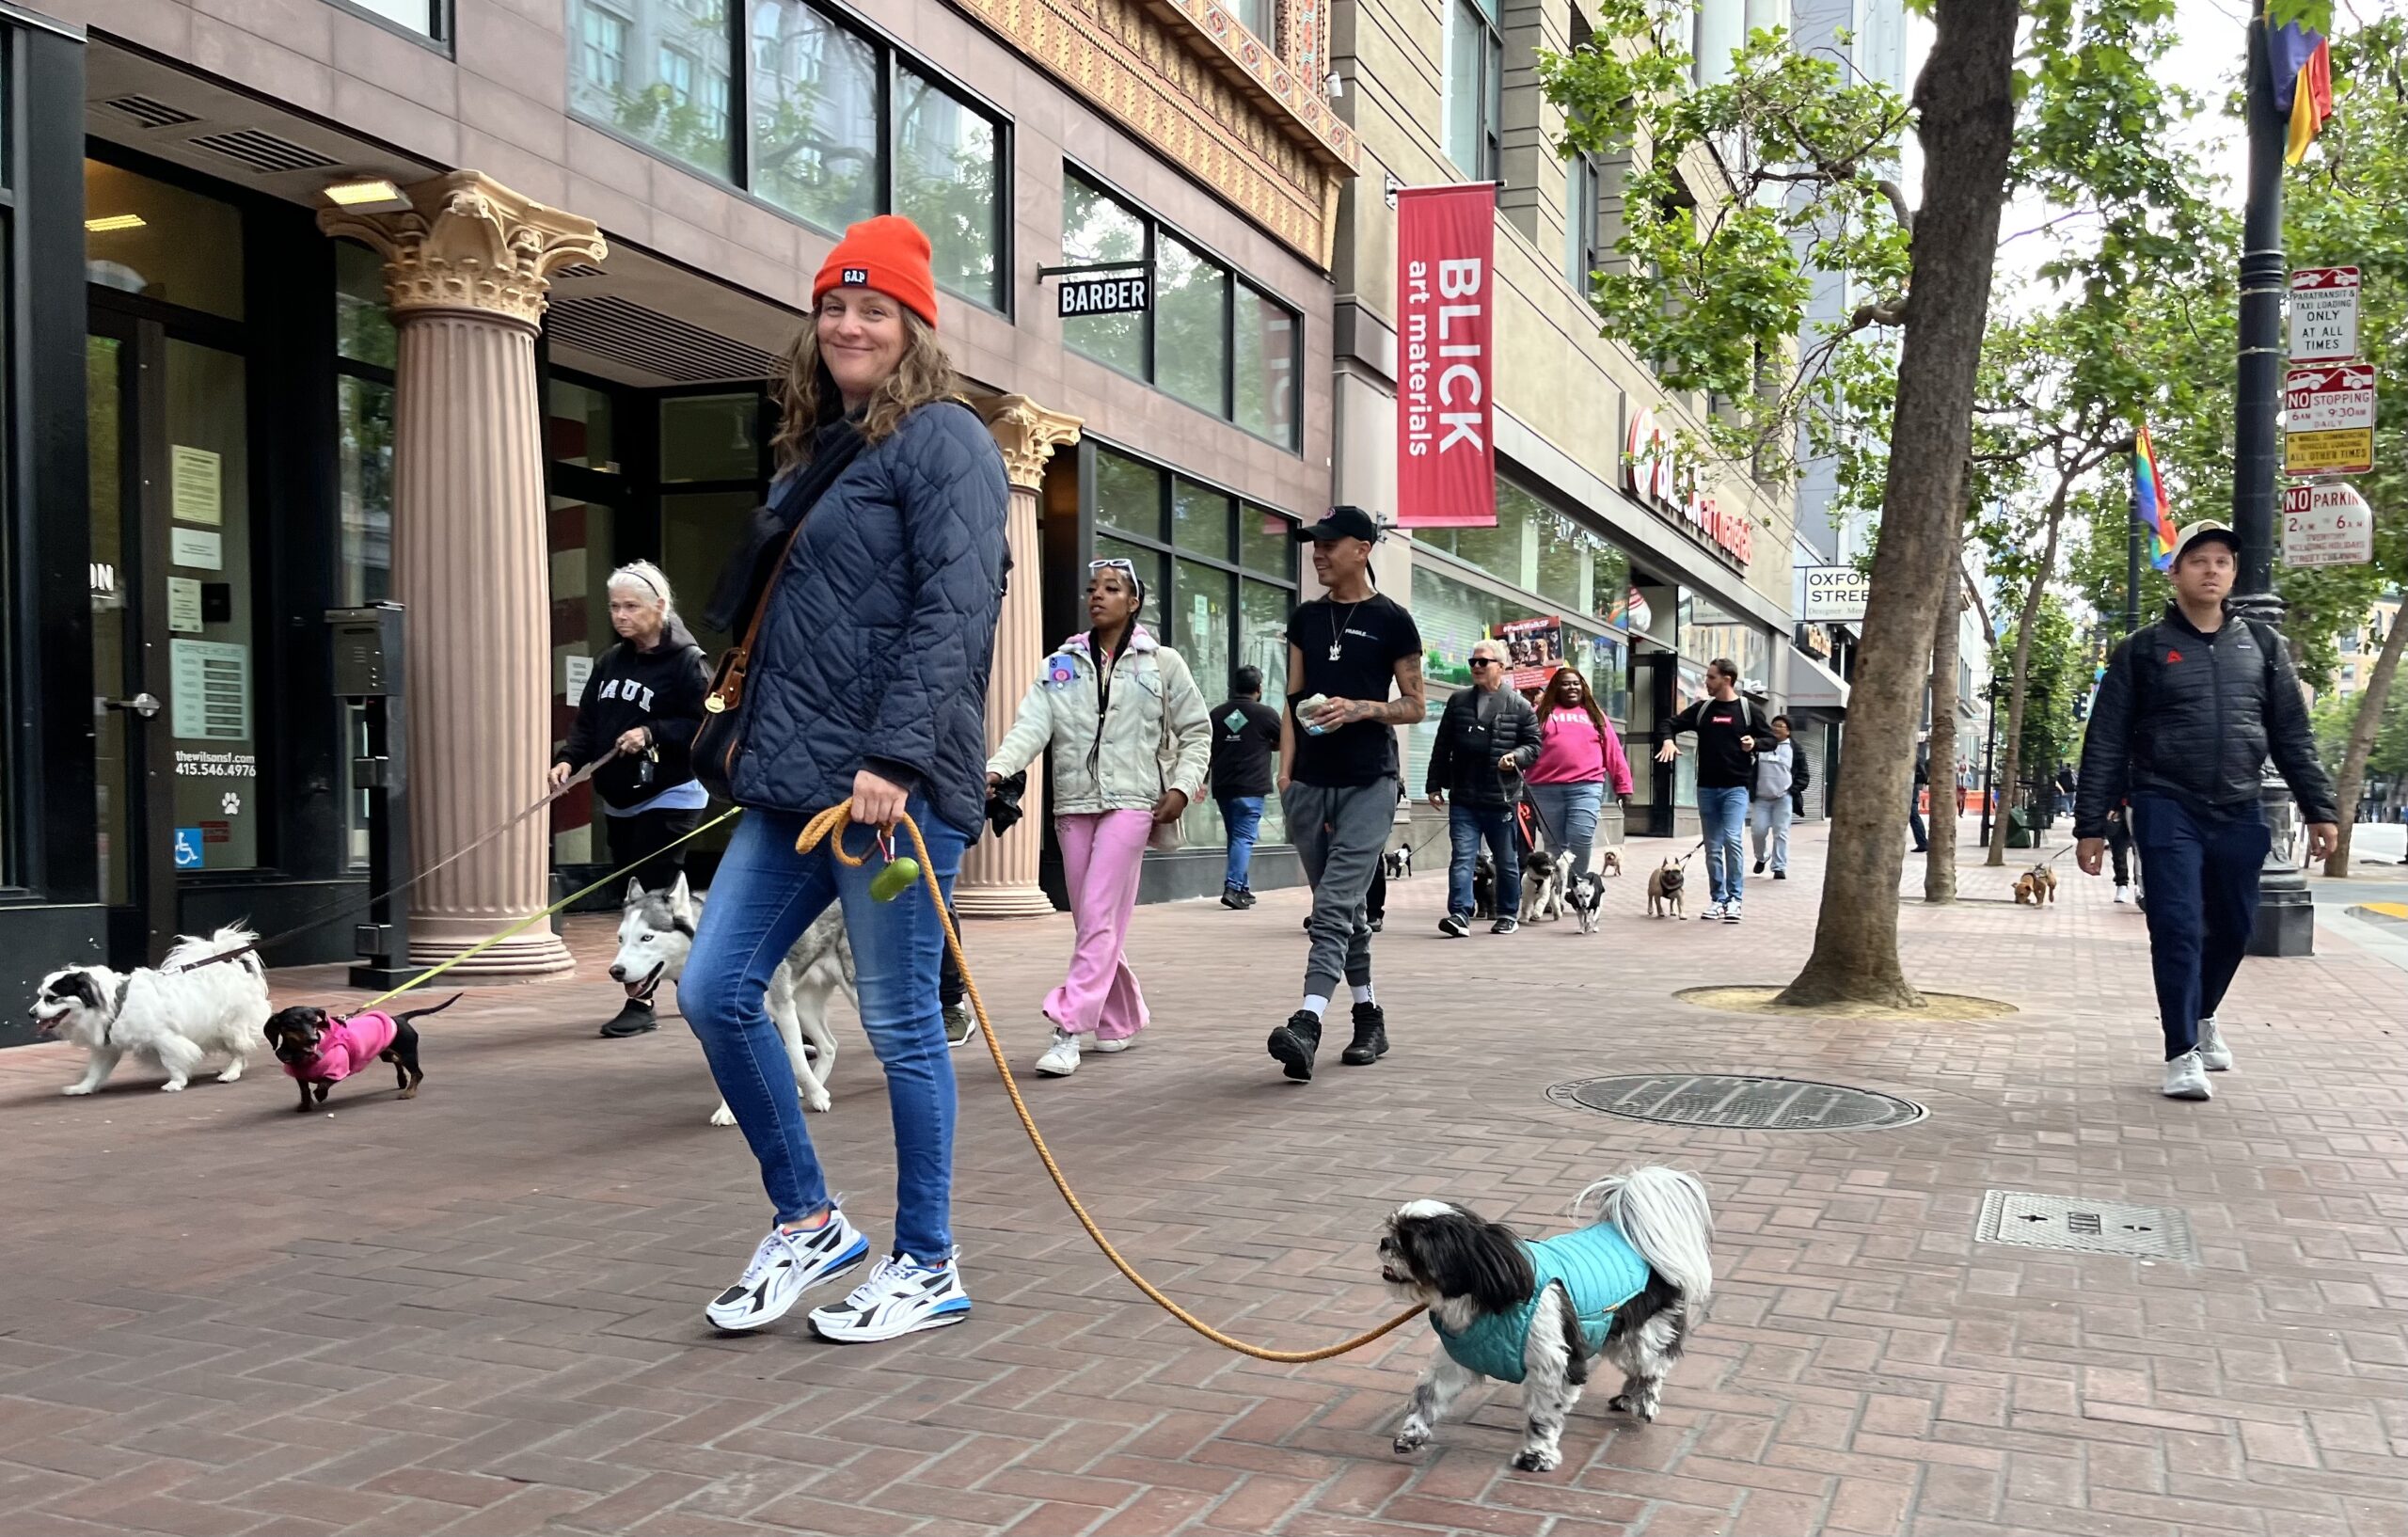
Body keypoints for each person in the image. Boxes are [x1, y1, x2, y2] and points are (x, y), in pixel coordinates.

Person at [678, 216, 1009, 1343]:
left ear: (914, 325)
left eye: (874, 308)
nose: (849, 324)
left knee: (901, 1024)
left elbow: (955, 613)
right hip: (796, 786)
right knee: (712, 989)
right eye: (833, 306)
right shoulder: (829, 447)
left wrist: (897, 760)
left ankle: (928, 1258)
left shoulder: (947, 441)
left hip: (887, 794)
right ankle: (808, 1217)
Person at [2073, 519, 2338, 1102]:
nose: (2212, 569)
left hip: (2242, 806)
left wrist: (2320, 807)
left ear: (2234, 574)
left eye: (2222, 561)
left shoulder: (2264, 647)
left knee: (2237, 926)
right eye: (2198, 561)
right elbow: (2106, 741)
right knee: (2176, 926)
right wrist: (2091, 825)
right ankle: (2180, 1052)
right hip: (2167, 802)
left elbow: (2292, 733)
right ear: (2175, 572)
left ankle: (2202, 1014)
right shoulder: (2141, 650)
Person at [987, 559, 1209, 1077]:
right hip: (1074, 804)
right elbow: (1030, 726)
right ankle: (1121, 1017)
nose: (1097, 596)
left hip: (1134, 803)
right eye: (1092, 588)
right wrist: (997, 769)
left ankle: (1068, 1027)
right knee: (1092, 920)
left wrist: (1181, 786)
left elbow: (1198, 732)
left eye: (1111, 589)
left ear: (1134, 602)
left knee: (1101, 914)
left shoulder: (1163, 663)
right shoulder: (1060, 664)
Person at [1267, 506, 1425, 1081]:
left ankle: (1306, 1022)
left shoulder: (1393, 620)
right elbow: (1290, 700)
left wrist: (1361, 708)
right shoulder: (1305, 619)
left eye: (1330, 544)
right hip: (1308, 784)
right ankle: (1368, 1017)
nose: (1318, 553)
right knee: (1347, 909)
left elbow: (1415, 705)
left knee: (1331, 907)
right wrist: (1285, 778)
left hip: (1369, 783)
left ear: (1363, 548)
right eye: (1315, 544)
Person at [550, 560, 711, 1038]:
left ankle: (643, 1004)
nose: (620, 616)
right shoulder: (608, 662)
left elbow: (708, 724)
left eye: (631, 606)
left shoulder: (688, 662)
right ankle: (690, 982)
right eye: (614, 607)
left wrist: (652, 730)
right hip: (620, 797)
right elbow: (588, 725)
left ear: (659, 607)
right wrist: (568, 760)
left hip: (674, 794)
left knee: (652, 895)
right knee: (638, 897)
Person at [1426, 637, 1542, 937]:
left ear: (1501, 667)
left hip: (1501, 798)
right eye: (1472, 662)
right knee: (1462, 856)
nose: (1476, 666)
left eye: (1483, 661)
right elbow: (1442, 745)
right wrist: (1434, 784)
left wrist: (1514, 756)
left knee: (1506, 859)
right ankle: (1460, 914)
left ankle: (1507, 913)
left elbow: (1533, 746)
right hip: (1463, 795)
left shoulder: (1520, 705)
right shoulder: (1458, 700)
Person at [1654, 659, 1769, 923]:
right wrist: (1668, 740)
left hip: (1736, 789)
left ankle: (1735, 900)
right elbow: (1668, 724)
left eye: (1711, 677)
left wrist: (1756, 742)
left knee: (1732, 840)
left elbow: (1771, 739)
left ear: (1727, 679)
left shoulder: (1747, 710)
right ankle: (1718, 899)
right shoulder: (1703, 709)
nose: (1706, 681)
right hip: (1706, 788)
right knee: (1713, 848)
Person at [1523, 665, 1633, 890]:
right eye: (1565, 683)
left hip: (1586, 786)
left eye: (1576, 683)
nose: (1572, 687)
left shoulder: (1594, 714)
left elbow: (1613, 751)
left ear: (1583, 687)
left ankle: (1578, 885)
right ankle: (1555, 891)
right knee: (1554, 844)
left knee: (1581, 837)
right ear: (1555, 688)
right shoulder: (1540, 713)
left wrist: (1623, 786)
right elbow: (1526, 745)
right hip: (1544, 788)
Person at [1208, 665, 1283, 910]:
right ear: (1259, 689)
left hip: (1224, 786)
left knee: (1236, 837)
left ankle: (1242, 888)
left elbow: (1205, 748)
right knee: (1243, 837)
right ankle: (1232, 888)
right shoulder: (1266, 714)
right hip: (1251, 787)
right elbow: (1284, 741)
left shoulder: (1217, 714)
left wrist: (1202, 780)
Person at [1750, 714, 1796, 880]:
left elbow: (1803, 773)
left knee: (1781, 832)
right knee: (1758, 831)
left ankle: (1779, 867)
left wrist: (1791, 790)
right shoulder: (1761, 746)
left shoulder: (1794, 749)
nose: (1775, 728)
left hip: (1783, 798)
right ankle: (1762, 857)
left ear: (1789, 731)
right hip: (1761, 798)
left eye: (1780, 726)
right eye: (1774, 725)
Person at [1908, 737, 1930, 853]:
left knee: (1913, 816)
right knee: (1914, 816)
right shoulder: (1916, 758)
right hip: (1913, 789)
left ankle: (1922, 842)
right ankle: (1922, 842)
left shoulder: (1911, 759)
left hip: (1910, 789)